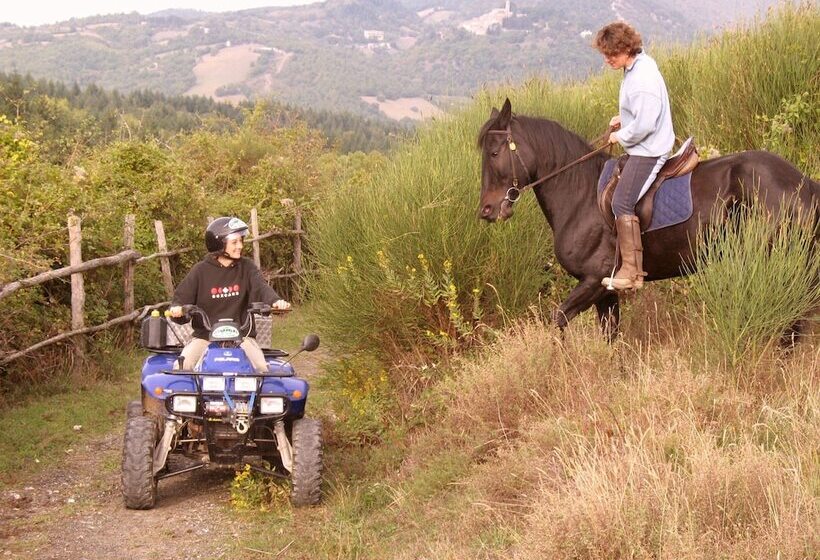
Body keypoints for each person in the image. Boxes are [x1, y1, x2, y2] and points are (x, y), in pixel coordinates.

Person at [594, 22, 674, 291]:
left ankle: (631, 272)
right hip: (644, 144)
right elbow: (643, 111)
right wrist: (624, 117)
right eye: (605, 54)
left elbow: (645, 124)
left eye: (612, 54)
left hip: (649, 149)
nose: (608, 59)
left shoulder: (641, 79)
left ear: (627, 48)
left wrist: (621, 135)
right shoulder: (637, 66)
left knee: (621, 202)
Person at [168, 216, 291, 372]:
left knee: (261, 369)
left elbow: (261, 288)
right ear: (219, 244)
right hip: (205, 338)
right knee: (182, 367)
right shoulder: (200, 271)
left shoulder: (247, 267)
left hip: (242, 338)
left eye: (241, 241)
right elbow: (180, 299)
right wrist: (177, 308)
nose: (240, 246)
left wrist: (275, 301)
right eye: (234, 242)